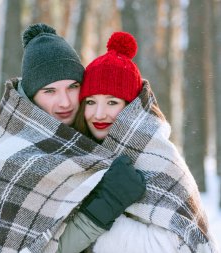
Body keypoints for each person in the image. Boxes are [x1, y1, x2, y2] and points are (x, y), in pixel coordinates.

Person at [0, 24, 146, 253]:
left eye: (73, 87)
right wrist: (104, 206)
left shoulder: (95, 133)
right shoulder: (12, 157)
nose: (64, 102)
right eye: (49, 91)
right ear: (32, 96)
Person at [72, 31, 219, 253]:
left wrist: (98, 214)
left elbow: (178, 245)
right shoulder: (85, 153)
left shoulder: (159, 157)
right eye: (91, 101)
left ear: (132, 107)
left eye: (112, 102)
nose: (99, 114)